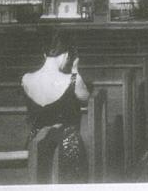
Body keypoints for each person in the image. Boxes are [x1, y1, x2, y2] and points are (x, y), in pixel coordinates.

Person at [21, 31, 90, 183]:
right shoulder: (74, 80)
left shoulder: (25, 79)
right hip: (68, 147)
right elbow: (85, 99)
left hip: (36, 146)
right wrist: (75, 71)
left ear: (44, 54)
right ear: (66, 55)